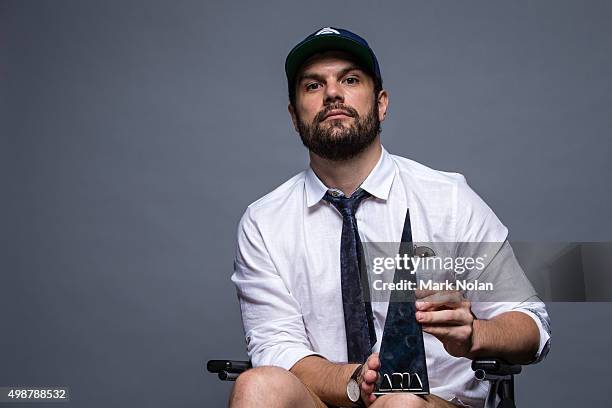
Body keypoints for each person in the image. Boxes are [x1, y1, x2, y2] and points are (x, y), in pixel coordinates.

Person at [228, 27, 551, 408]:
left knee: (398, 403)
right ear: (293, 116)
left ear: (381, 103)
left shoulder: (448, 199)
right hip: (330, 398)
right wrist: (355, 380)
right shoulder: (264, 223)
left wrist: (475, 333)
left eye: (350, 80)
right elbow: (277, 347)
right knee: (258, 386)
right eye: (313, 85)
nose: (333, 93)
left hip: (432, 402)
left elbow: (532, 324)